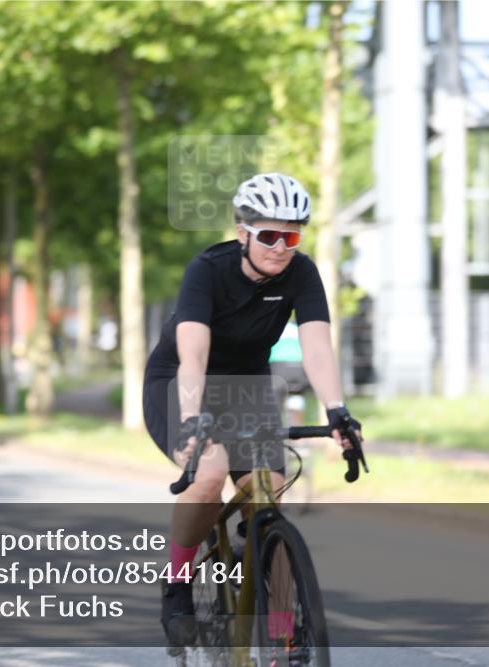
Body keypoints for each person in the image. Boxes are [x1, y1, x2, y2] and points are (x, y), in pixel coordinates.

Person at [143, 172, 362, 646]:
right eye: (268, 235)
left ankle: (282, 630)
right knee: (208, 473)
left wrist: (337, 409)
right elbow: (193, 353)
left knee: (269, 491)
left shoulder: (301, 273)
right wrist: (190, 420)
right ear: (243, 233)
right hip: (181, 379)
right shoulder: (208, 270)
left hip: (246, 386)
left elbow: (318, 347)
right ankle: (177, 587)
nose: (280, 247)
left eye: (291, 235)